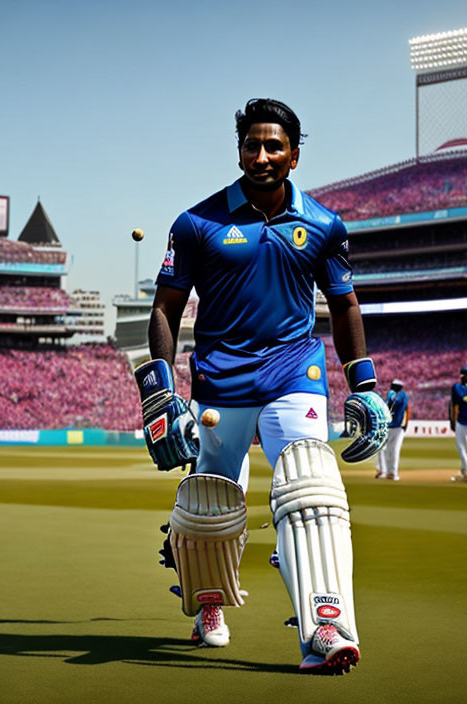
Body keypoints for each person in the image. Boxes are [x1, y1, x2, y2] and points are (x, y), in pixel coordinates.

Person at [134, 98, 388, 675]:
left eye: (275, 146)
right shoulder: (196, 223)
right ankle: (208, 606)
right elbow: (166, 309)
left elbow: (345, 304)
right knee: (208, 509)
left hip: (294, 371)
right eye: (252, 144)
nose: (262, 155)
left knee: (311, 482)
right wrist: (159, 392)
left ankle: (326, 626)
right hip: (220, 382)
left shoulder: (324, 225)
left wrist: (364, 385)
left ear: (294, 155)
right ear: (240, 150)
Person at [375, 379, 409, 481]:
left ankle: (388, 471)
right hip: (394, 426)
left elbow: (391, 404)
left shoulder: (396, 395)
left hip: (394, 426)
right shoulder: (402, 395)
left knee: (388, 449)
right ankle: (389, 471)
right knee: (391, 450)